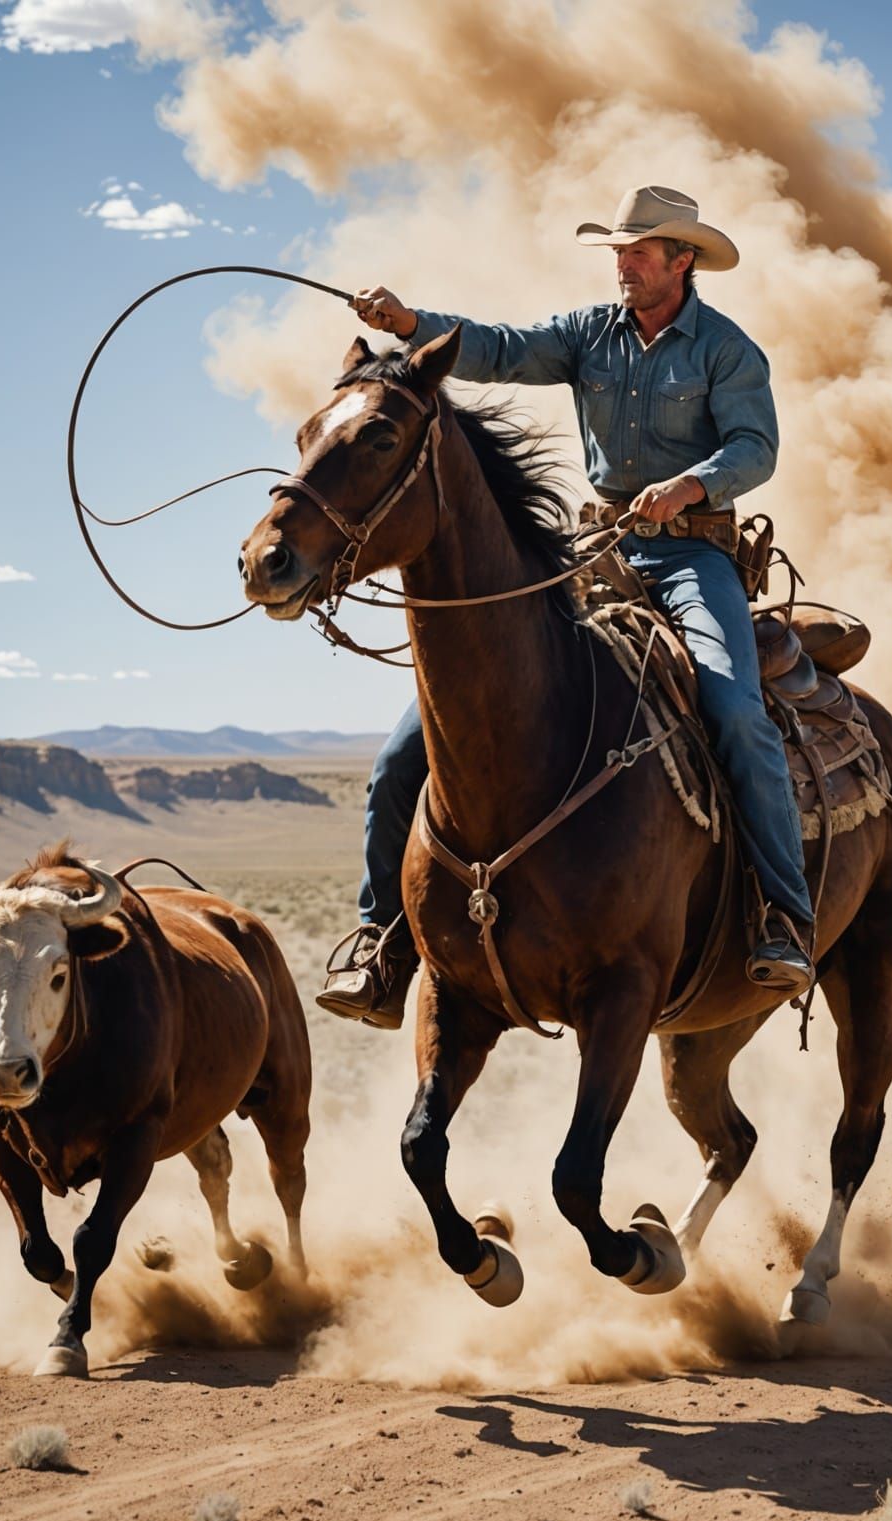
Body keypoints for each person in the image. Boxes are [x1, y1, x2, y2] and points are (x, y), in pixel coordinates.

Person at [320, 185, 815, 1029]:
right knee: (409, 751)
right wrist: (407, 325)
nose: (623, 265)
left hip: (694, 555)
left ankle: (782, 915)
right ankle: (383, 940)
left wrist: (692, 483)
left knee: (734, 706)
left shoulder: (728, 352)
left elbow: (755, 448)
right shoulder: (590, 333)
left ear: (681, 261)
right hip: (594, 554)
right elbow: (503, 350)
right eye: (618, 252)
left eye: (639, 252)